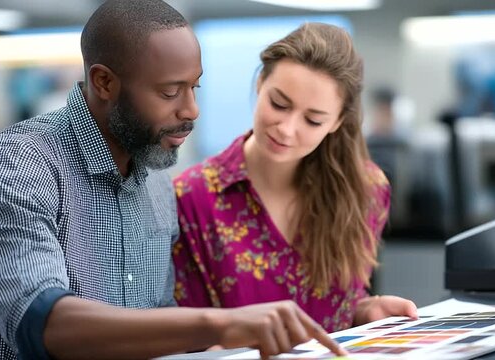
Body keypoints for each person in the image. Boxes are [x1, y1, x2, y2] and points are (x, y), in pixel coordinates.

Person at [0, 2, 345, 359]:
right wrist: (221, 323)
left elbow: (157, 322)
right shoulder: (19, 166)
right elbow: (43, 324)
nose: (191, 109)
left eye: (194, 87)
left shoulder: (156, 182)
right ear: (104, 83)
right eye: (170, 91)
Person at [173, 23, 418, 333]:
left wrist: (363, 311)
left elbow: (336, 303)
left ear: (337, 121)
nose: (287, 129)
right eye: (279, 104)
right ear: (260, 83)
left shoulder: (366, 189)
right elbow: (184, 331)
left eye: (313, 120)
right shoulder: (193, 194)